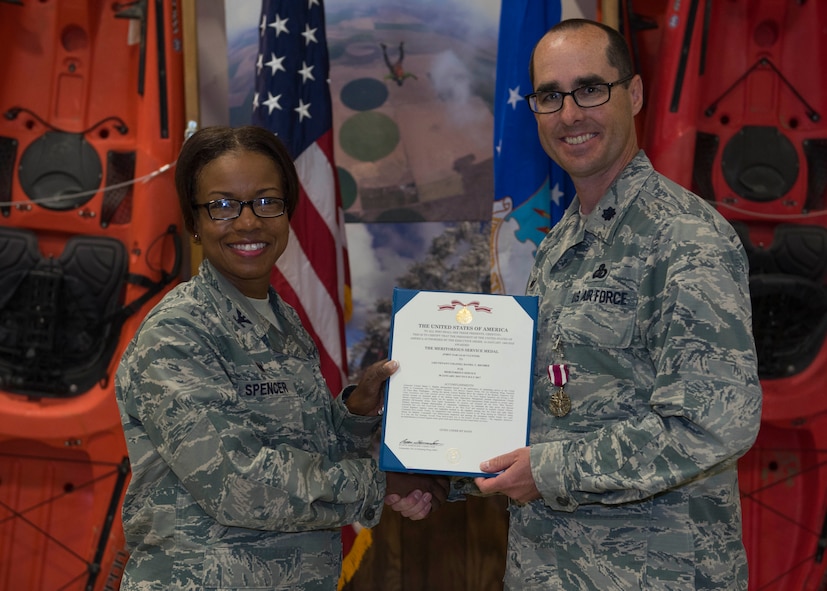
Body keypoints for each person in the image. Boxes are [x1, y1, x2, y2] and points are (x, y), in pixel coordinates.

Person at [390, 18, 763, 590]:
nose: (569, 114)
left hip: (654, 574)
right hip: (549, 569)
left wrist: (551, 470)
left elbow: (715, 423)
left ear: (632, 95)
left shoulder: (685, 238)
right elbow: (555, 408)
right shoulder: (561, 244)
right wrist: (451, 474)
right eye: (549, 96)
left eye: (590, 89)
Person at [115, 125, 447, 590]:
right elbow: (237, 483)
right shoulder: (177, 333)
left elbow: (299, 450)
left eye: (266, 201)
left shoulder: (282, 319)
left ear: (288, 213)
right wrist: (379, 485)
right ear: (194, 222)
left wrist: (353, 413)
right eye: (223, 205)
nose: (248, 222)